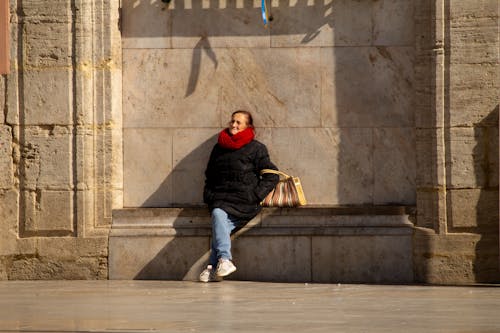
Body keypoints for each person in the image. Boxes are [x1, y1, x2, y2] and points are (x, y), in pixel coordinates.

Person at [200, 110, 279, 282]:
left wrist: (255, 195)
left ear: (247, 126)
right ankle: (221, 262)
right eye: (232, 121)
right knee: (219, 218)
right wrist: (209, 196)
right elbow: (210, 175)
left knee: (218, 218)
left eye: (238, 123)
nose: (234, 125)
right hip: (220, 199)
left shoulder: (256, 148)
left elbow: (272, 174)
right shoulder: (219, 147)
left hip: (244, 202)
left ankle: (216, 265)